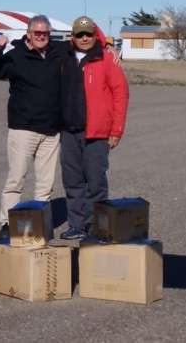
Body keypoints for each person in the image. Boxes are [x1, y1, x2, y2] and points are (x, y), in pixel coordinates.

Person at [0, 15, 62, 240]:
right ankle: (7, 223)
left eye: (45, 33)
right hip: (23, 128)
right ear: (28, 33)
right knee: (16, 179)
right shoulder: (16, 56)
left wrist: (108, 47)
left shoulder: (57, 53)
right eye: (37, 33)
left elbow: (82, 42)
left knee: (45, 184)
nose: (42, 37)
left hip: (51, 130)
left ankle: (40, 223)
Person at [58, 16, 129, 240]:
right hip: (69, 131)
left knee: (96, 182)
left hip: (96, 133)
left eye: (88, 34)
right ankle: (77, 226)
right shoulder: (63, 57)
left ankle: (97, 228)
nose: (85, 38)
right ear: (73, 37)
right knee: (72, 181)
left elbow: (121, 93)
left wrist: (116, 129)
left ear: (94, 35)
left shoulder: (105, 58)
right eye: (80, 34)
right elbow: (38, 41)